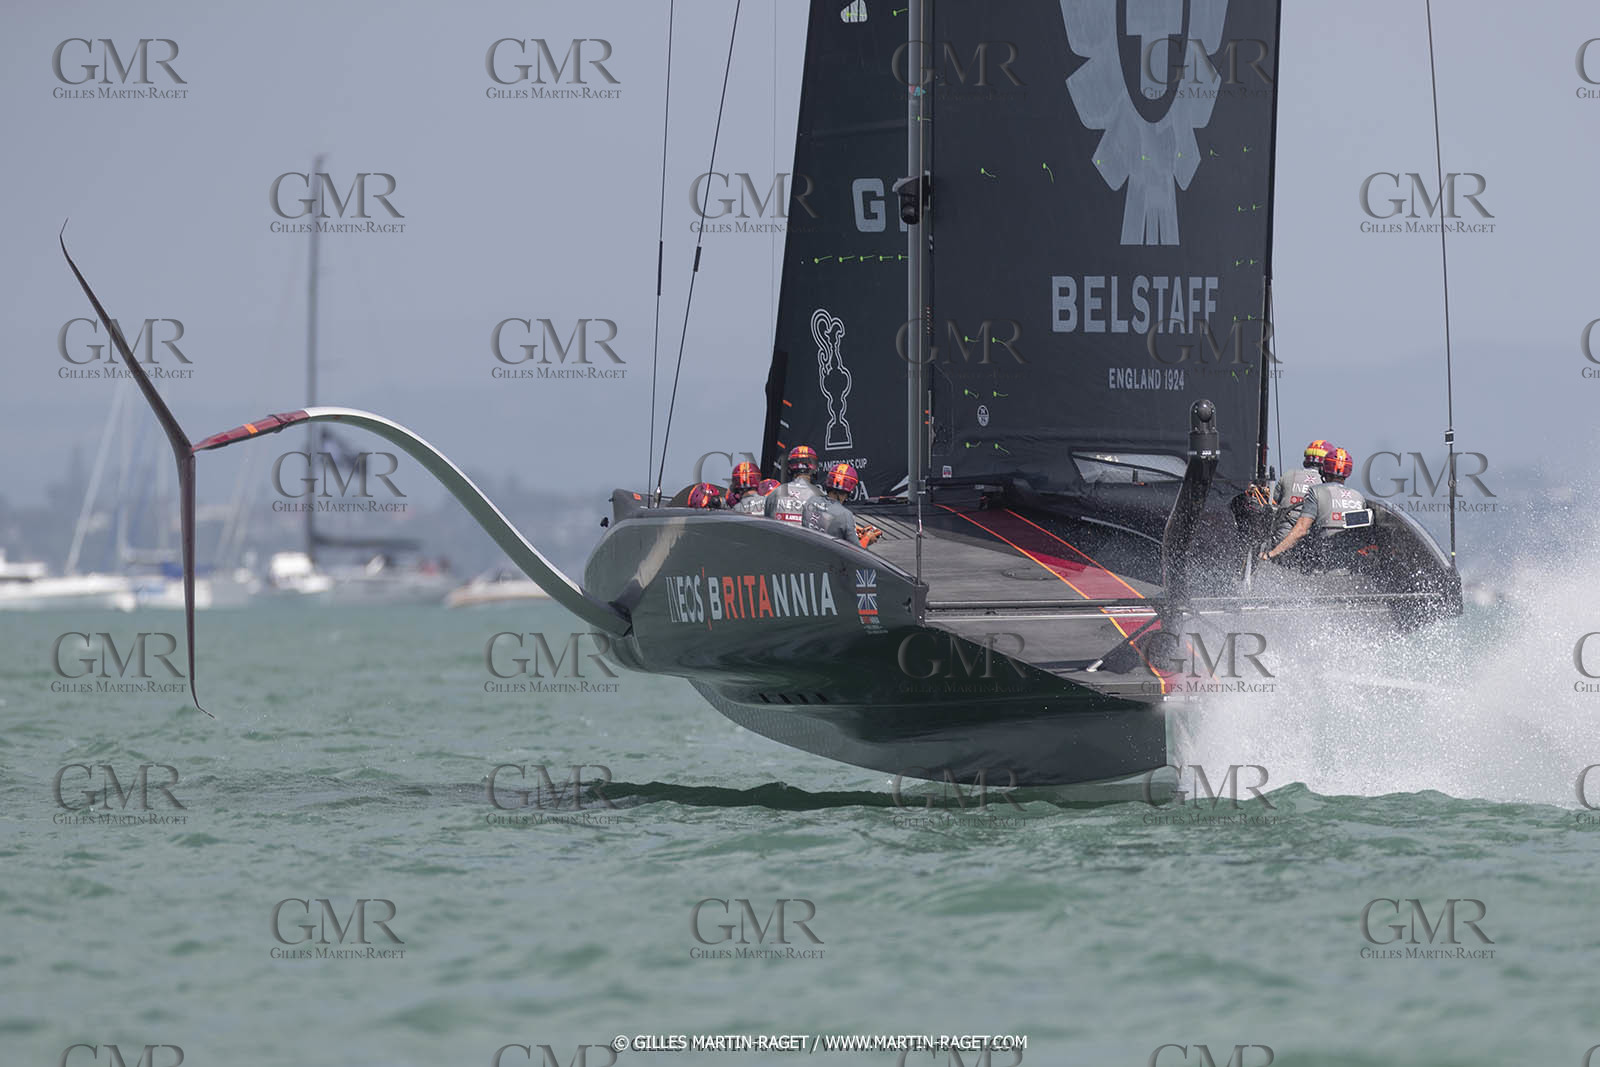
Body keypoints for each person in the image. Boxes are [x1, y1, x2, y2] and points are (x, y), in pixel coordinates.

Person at [1259, 447, 1372, 570]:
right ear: (1348, 471)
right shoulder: (1358, 497)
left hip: (1322, 561)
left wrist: (1271, 554)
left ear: (1324, 469)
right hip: (1349, 563)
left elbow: (1301, 530)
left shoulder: (1316, 491)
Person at [1268, 440, 1331, 544]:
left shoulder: (1288, 475)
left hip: (1281, 538)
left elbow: (1275, 501)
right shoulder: (1325, 485)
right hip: (1307, 542)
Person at [765, 445, 822, 524]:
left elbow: (767, 524)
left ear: (789, 469)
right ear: (814, 469)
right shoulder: (820, 496)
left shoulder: (776, 492)